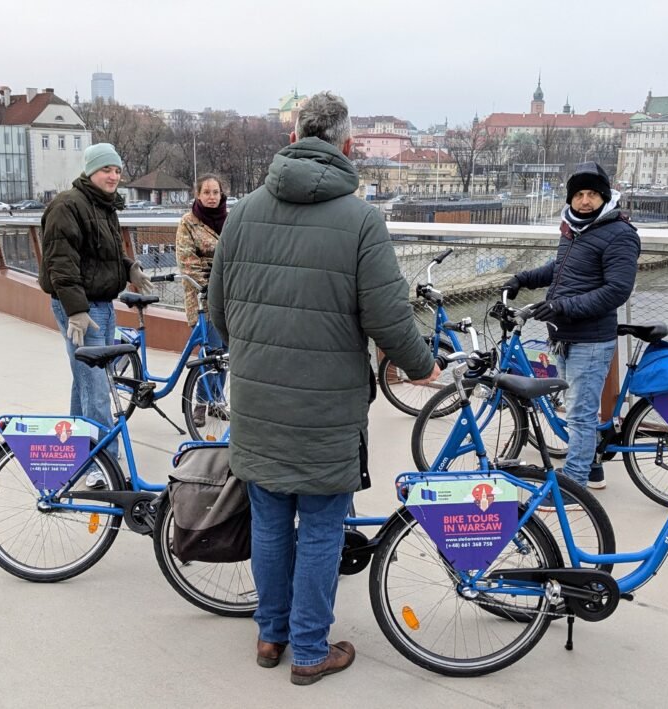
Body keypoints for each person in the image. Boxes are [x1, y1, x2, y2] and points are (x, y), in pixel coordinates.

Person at [208, 91, 440, 685]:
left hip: (257, 399)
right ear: (347, 145)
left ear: (291, 140)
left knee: (267, 518)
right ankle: (310, 651)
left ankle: (270, 635)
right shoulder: (361, 219)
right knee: (319, 523)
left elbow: (218, 316)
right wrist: (423, 368)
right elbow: (389, 318)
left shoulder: (245, 212)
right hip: (326, 406)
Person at [504, 161, 640, 490]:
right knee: (579, 410)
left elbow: (617, 291)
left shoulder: (619, 234)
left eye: (593, 194)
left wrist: (561, 307)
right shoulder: (575, 228)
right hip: (564, 336)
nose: (584, 200)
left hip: (590, 340)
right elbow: (562, 269)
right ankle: (593, 469)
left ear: (605, 197)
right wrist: (524, 279)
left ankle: (573, 486)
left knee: (579, 415)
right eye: (579, 194)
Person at [39, 143, 152, 486]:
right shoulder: (67, 206)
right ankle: (101, 467)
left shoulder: (103, 207)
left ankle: (75, 452)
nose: (114, 176)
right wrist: (76, 310)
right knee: (98, 387)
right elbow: (61, 263)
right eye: (107, 170)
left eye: (117, 170)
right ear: (90, 171)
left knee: (86, 381)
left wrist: (130, 269)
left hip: (102, 305)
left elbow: (104, 255)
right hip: (82, 308)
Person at [175, 173, 228, 427]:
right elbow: (187, 261)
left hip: (230, 295)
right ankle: (200, 403)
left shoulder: (230, 221)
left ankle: (217, 400)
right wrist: (211, 285)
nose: (211, 197)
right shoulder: (189, 223)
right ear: (198, 195)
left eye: (215, 192)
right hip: (203, 295)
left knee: (226, 352)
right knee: (211, 350)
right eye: (206, 192)